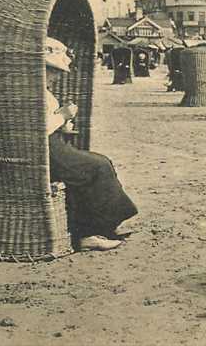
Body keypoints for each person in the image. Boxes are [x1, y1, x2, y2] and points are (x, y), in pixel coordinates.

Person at [45, 37, 138, 251]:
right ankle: (90, 232)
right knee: (98, 166)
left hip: (52, 145)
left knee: (99, 163)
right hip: (47, 150)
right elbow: (37, 129)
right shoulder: (37, 94)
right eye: (55, 71)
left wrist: (62, 124)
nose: (58, 77)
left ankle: (103, 227)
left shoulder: (42, 92)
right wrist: (63, 116)